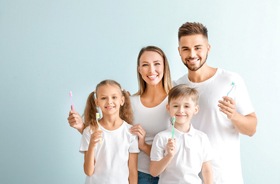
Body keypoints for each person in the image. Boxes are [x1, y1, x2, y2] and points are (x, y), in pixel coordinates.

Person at [68, 46, 173, 184]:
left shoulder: (177, 103)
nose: (151, 70)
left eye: (157, 63)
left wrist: (143, 146)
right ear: (139, 69)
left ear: (165, 66)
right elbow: (110, 136)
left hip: (169, 174)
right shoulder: (131, 103)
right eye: (145, 65)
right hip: (140, 174)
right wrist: (82, 127)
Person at [174, 22, 258, 184]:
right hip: (188, 179)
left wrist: (234, 115)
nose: (192, 54)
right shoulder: (177, 86)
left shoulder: (230, 80)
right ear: (179, 51)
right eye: (185, 49)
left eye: (198, 47)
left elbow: (252, 128)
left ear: (208, 48)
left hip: (225, 177)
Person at [150, 84, 213, 184]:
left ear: (195, 109)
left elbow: (206, 169)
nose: (181, 110)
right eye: (175, 106)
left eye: (186, 106)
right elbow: (154, 172)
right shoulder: (161, 137)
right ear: (168, 108)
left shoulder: (201, 138)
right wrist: (169, 156)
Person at [79, 79, 139, 184]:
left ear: (122, 100)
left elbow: (132, 171)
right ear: (97, 102)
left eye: (114, 97)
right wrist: (92, 145)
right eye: (103, 98)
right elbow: (88, 172)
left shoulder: (130, 132)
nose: (109, 102)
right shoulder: (89, 131)